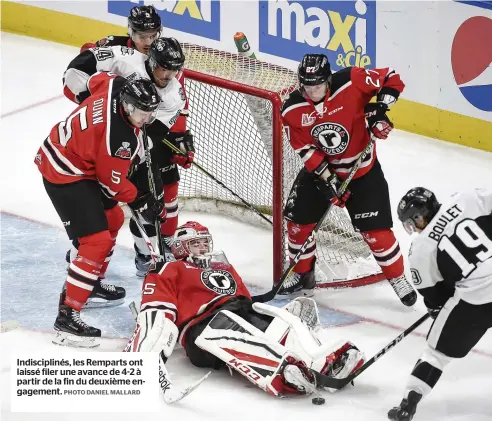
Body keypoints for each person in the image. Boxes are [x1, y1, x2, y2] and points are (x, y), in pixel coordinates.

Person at [124, 221, 366, 398]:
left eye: (204, 242)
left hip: (239, 312)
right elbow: (157, 309)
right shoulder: (170, 268)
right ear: (180, 248)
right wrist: (146, 353)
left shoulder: (223, 266)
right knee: (231, 328)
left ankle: (324, 361)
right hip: (202, 328)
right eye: (194, 243)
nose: (201, 248)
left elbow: (245, 300)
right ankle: (280, 370)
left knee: (282, 321)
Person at [35, 73, 166, 347]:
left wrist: (89, 126)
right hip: (64, 172)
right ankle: (67, 316)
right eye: (143, 114)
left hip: (74, 155)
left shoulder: (116, 85)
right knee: (96, 241)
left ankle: (89, 282)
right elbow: (112, 184)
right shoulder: (117, 140)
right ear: (128, 107)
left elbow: (95, 80)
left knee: (113, 218)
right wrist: (141, 199)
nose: (147, 119)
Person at [280, 54, 416, 307]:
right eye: (307, 86)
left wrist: (380, 111)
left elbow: (391, 78)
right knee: (297, 224)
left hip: (362, 173)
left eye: (317, 86)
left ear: (328, 80)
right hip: (321, 172)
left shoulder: (352, 80)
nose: (312, 91)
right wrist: (327, 181)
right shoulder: (292, 108)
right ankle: (302, 274)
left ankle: (397, 278)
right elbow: (306, 150)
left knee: (376, 234)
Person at [64, 37, 193, 275]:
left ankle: (145, 258)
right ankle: (79, 261)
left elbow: (150, 136)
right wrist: (87, 101)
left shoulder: (174, 95)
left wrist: (178, 139)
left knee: (150, 206)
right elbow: (77, 69)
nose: (168, 75)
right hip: (99, 146)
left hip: (132, 149)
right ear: (152, 61)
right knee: (101, 215)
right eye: (163, 67)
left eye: (173, 70)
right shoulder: (125, 59)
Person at [388, 187, 492, 420]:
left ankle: (408, 404)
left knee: (436, 355)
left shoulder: (419, 250)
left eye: (413, 221)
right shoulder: (465, 198)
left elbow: (434, 296)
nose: (414, 227)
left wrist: (443, 307)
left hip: (474, 301)